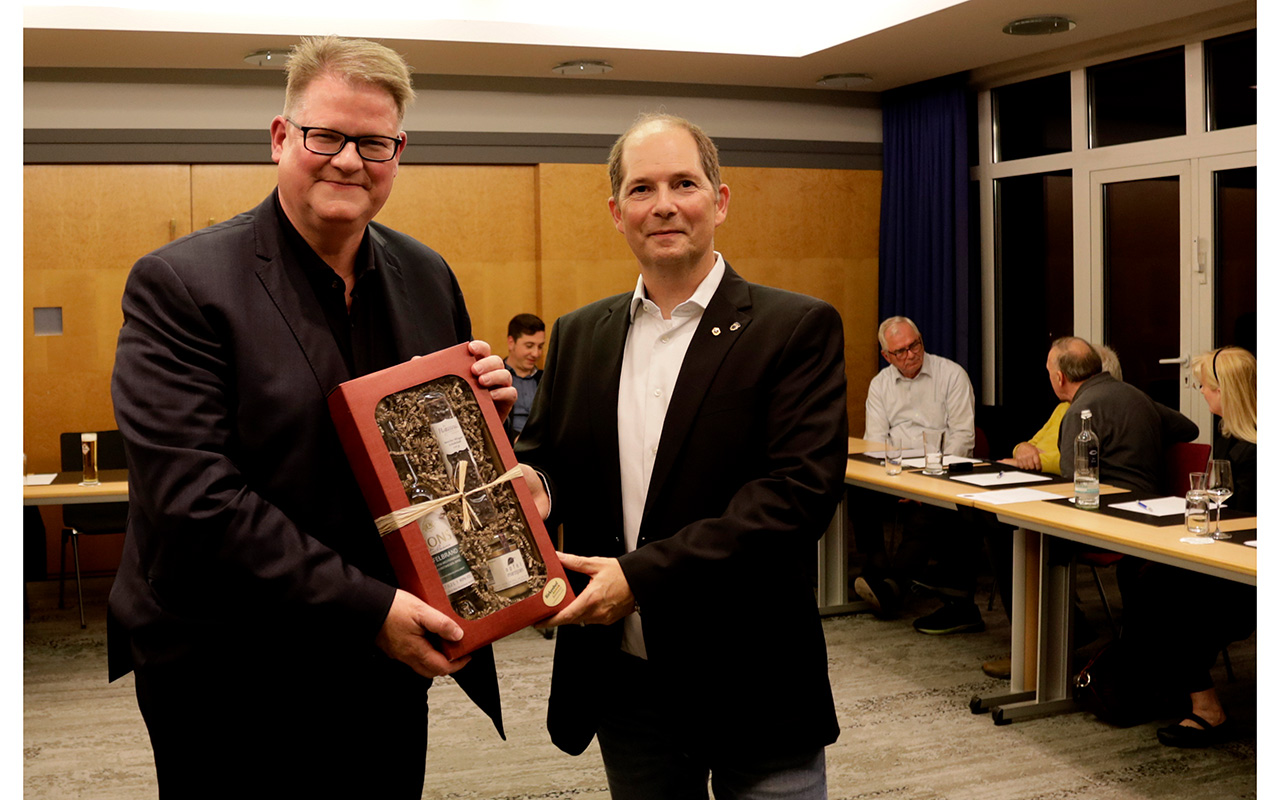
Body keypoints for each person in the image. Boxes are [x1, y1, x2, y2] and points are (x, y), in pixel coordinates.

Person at [107, 36, 513, 798]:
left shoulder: (426, 274)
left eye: (374, 142)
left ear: (400, 150)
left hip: (384, 665)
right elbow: (196, 502)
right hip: (228, 668)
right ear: (280, 137)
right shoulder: (183, 284)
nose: (349, 161)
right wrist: (370, 610)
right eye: (325, 135)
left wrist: (486, 419)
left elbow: (434, 454)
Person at [515, 113, 847, 798]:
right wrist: (536, 489)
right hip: (627, 685)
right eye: (641, 189)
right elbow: (547, 458)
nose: (663, 204)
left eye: (683, 183)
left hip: (754, 680)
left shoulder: (794, 328)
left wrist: (640, 576)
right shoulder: (580, 334)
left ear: (719, 201)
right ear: (617, 212)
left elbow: (795, 496)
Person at [1118, 346, 1256, 746]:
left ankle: (1205, 707)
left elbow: (1242, 514)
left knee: (1164, 590)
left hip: (1245, 568)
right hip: (1225, 551)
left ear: (1226, 391)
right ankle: (1162, 681)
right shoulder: (1234, 436)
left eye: (1206, 386)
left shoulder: (1259, 447)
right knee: (1138, 571)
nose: (1201, 392)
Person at [854, 315, 983, 635]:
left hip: (941, 471)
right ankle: (878, 569)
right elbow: (875, 441)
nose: (911, 355)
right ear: (887, 356)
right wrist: (894, 479)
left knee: (926, 507)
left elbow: (962, 439)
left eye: (915, 345)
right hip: (894, 472)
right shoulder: (880, 384)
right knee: (857, 493)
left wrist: (926, 481)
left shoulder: (951, 375)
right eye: (901, 351)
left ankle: (893, 584)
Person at [1052, 337, 1197, 492]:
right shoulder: (1137, 396)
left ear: (1060, 378)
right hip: (1153, 501)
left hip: (1107, 505)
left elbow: (1071, 481)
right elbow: (1189, 429)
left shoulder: (1080, 412)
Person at [502, 312, 546, 441]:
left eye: (540, 346)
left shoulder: (547, 379)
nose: (536, 353)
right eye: (529, 346)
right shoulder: (495, 378)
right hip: (509, 448)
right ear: (511, 343)